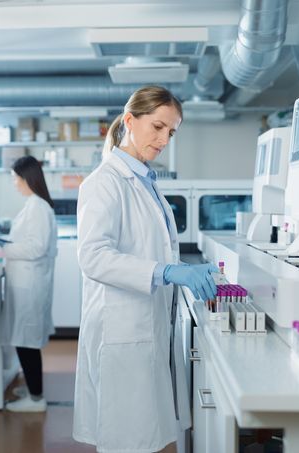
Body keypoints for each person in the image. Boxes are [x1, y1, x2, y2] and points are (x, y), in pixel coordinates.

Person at [72, 86, 218, 452]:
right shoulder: (104, 183)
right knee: (124, 437)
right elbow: (92, 256)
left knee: (144, 435)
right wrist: (168, 273)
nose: (163, 138)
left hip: (145, 323)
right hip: (120, 328)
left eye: (170, 132)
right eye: (157, 127)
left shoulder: (146, 182)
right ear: (129, 121)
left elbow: (149, 248)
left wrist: (179, 267)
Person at [1, 155, 58, 413]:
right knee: (24, 339)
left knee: (27, 342)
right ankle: (33, 389)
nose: (14, 184)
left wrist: (3, 249)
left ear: (26, 178)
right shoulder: (34, 205)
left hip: (30, 284)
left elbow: (36, 247)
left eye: (15, 178)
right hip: (27, 282)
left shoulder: (37, 207)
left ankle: (36, 399)